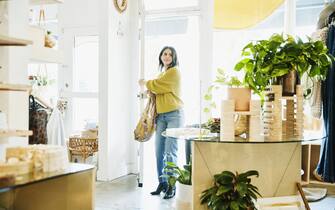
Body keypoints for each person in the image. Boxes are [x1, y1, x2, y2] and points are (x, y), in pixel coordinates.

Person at [139, 46, 184, 199]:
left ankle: (172, 186)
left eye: (170, 54)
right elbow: (156, 89)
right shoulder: (162, 74)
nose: (167, 56)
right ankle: (162, 183)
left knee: (170, 152)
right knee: (159, 151)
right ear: (160, 56)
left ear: (174, 57)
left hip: (174, 116)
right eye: (164, 54)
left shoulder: (174, 71)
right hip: (161, 116)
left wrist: (145, 82)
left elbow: (157, 85)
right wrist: (150, 88)